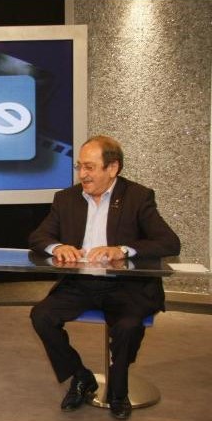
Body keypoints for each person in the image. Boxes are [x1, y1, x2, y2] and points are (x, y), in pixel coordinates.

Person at [28, 135, 180, 420]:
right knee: (42, 316)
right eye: (79, 167)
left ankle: (118, 392)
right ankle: (80, 376)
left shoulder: (138, 197)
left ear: (113, 168)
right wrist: (57, 247)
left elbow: (170, 242)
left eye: (89, 167)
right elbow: (38, 237)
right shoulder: (66, 198)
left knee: (127, 326)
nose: (82, 174)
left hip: (126, 286)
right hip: (80, 283)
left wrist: (122, 249)